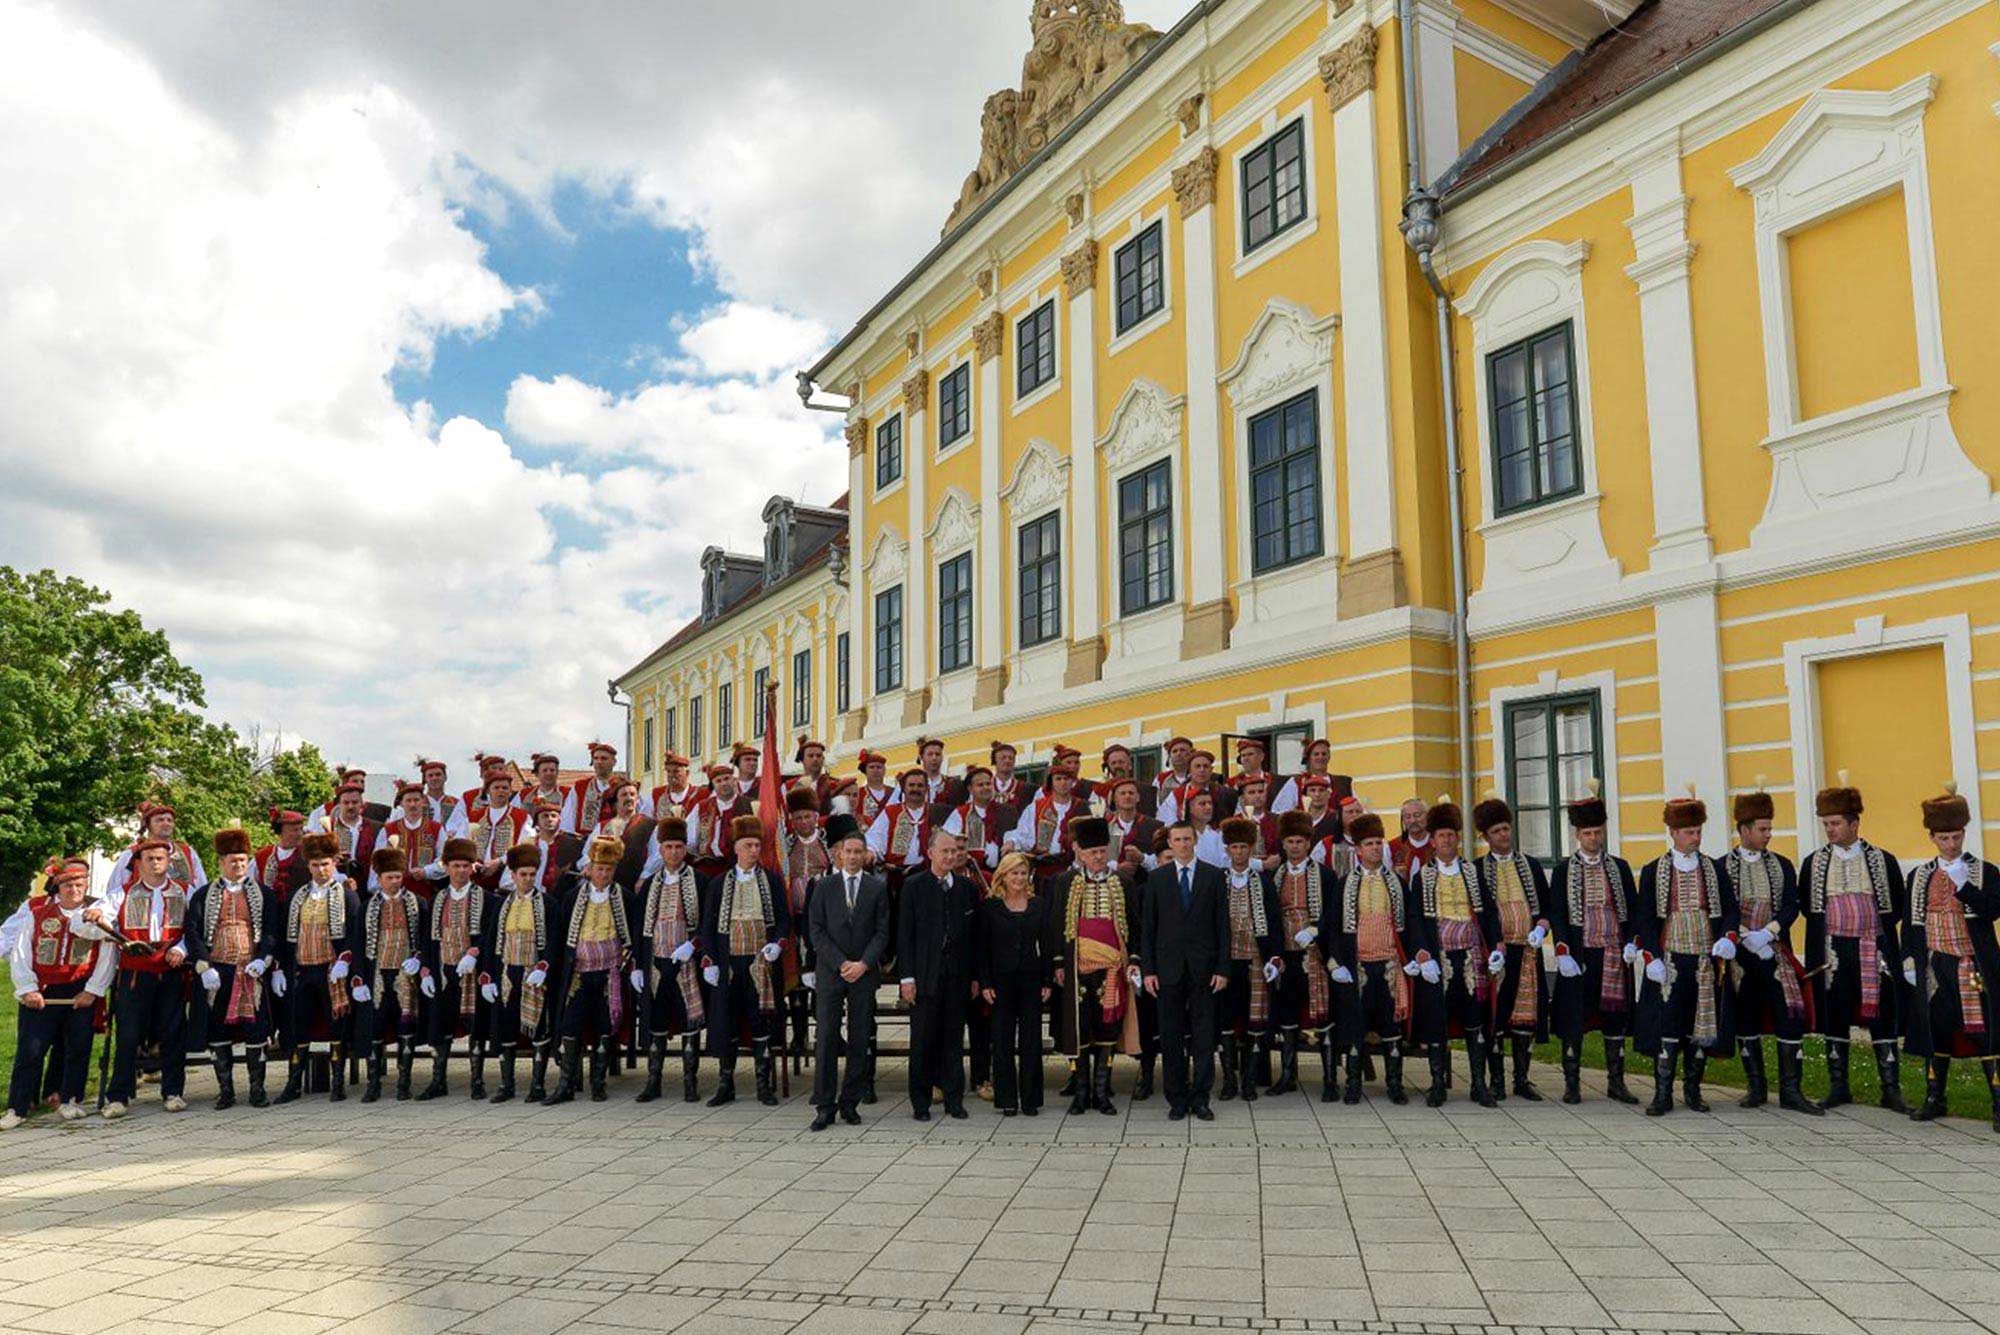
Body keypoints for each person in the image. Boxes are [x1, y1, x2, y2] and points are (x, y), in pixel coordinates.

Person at [1800, 774, 1908, 1112]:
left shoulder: (1881, 859)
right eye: (1826, 824)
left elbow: (1897, 906)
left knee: (1882, 1014)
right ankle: (1838, 1086)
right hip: (1833, 950)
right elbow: (1808, 905)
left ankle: (1890, 1089)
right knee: (1836, 1012)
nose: (1829, 829)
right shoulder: (1815, 862)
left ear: (1854, 823)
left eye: (1834, 823)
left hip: (1872, 948)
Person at [1634, 791, 1739, 1117]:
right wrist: (1651, 957)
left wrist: (1728, 938)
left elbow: (1731, 911)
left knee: (1700, 1024)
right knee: (1668, 1024)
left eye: (1698, 831)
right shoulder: (1654, 871)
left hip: (1705, 959)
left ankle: (1693, 1091)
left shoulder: (1714, 869)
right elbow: (1645, 918)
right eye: (1689, 832)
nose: (1696, 837)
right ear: (1674, 833)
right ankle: (1662, 1093)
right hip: (1671, 958)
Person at [1902, 784, 2000, 1128]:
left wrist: (1967, 887)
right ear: (1932, 838)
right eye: (1944, 838)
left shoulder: (1985, 871)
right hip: (1935, 961)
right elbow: (1911, 924)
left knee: (1985, 1030)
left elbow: (1992, 911)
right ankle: (1934, 1096)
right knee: (1936, 1027)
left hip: (1972, 961)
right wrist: (1909, 961)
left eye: (1956, 837)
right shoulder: (1919, 876)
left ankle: (1998, 1102)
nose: (1951, 844)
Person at [1725, 784, 1818, 1114]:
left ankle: (1791, 1090)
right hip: (1740, 952)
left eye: (1769, 828)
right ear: (1745, 829)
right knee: (1746, 1015)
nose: (1768, 835)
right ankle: (1756, 1087)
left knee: (1790, 1012)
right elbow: (1722, 909)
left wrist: (1768, 932)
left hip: (1774, 948)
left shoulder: (1782, 864)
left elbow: (1792, 905)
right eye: (1762, 829)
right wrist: (1743, 935)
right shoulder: (1724, 866)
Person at [1546, 782, 1641, 1104]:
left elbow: (1633, 909)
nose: (1593, 839)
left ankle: (1617, 1082)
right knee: (1575, 1017)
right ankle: (1572, 1084)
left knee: (1616, 1018)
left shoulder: (1619, 867)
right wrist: (1562, 950)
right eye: (1587, 833)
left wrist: (1633, 943)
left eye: (1598, 832)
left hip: (1614, 951)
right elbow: (1556, 913)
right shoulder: (1563, 871)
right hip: (1581, 953)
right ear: (1577, 835)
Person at [3, 858, 115, 1129]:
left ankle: (70, 1100)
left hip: (81, 991)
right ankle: (16, 1107)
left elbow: (107, 955)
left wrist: (93, 991)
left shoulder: (97, 916)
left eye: (79, 884)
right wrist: (27, 988)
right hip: (43, 990)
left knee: (78, 1047)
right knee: (31, 1051)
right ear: (57, 887)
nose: (74, 890)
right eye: (67, 885)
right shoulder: (38, 913)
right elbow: (21, 952)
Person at [1409, 798, 1499, 1107]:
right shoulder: (1423, 877)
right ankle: (1437, 1084)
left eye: (1452, 835)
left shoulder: (1473, 873)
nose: (1447, 840)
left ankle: (1478, 1084)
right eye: (1442, 835)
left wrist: (1496, 945)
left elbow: (1488, 913)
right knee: (1437, 1019)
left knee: (1476, 1019)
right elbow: (1416, 919)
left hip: (1472, 953)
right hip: (1440, 955)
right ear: (1432, 841)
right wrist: (1422, 953)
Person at [98, 835, 194, 1119]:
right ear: (138, 863)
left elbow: (195, 929)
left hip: (170, 972)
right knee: (128, 1035)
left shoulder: (184, 891)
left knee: (173, 1033)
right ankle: (118, 1096)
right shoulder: (122, 892)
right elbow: (103, 913)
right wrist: (95, 913)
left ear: (168, 862)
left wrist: (181, 947)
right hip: (135, 974)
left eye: (160, 859)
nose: (155, 864)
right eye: (149, 859)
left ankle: (173, 1092)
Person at [699, 815, 789, 1107]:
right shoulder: (719, 883)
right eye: (748, 845)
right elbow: (708, 926)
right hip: (728, 963)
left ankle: (764, 1085)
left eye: (757, 845)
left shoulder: (771, 881)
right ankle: (726, 1084)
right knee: (727, 1021)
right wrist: (710, 960)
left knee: (760, 1020)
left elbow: (784, 920)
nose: (754, 850)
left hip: (760, 963)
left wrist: (777, 944)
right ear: (736, 848)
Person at [1141, 822, 1229, 1121]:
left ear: (1196, 840)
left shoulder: (1214, 876)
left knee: (1204, 1036)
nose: (1183, 844)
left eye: (1188, 839)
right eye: (1177, 839)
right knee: (1170, 1036)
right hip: (1168, 969)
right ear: (1169, 842)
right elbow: (1148, 929)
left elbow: (1222, 926)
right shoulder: (1157, 878)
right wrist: (1149, 970)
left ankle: (1201, 1097)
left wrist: (1222, 968)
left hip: (1205, 969)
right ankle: (1176, 1098)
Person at [806, 815, 889, 1130]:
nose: (854, 857)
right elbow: (816, 931)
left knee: (859, 1039)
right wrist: (841, 963)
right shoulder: (823, 886)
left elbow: (882, 933)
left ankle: (850, 1102)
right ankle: (824, 1105)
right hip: (831, 972)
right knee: (826, 1037)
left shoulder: (876, 888)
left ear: (865, 855)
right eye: (849, 851)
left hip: (864, 973)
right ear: (839, 853)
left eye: (859, 852)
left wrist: (863, 964)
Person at [186, 827, 278, 1110]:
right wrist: (204, 966)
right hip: (218, 971)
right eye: (232, 860)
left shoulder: (264, 893)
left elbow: (272, 931)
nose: (237, 865)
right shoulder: (203, 895)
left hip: (250, 970)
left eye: (242, 860)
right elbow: (192, 932)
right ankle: (225, 1091)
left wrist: (264, 959)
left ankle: (257, 1090)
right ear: (220, 862)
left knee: (255, 1028)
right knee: (218, 1029)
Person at [1471, 794, 1554, 1103]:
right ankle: (1497, 1081)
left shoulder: (1530, 865)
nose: (1504, 835)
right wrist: (1494, 945)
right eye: (1496, 831)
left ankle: (1522, 1078)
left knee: (1526, 1017)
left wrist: (1541, 928)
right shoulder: (1477, 869)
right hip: (1498, 955)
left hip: (1528, 951)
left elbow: (1546, 907)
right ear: (1485, 837)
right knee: (1497, 1015)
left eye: (1506, 828)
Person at [1329, 813, 1416, 1104]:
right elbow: (1331, 926)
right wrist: (1336, 963)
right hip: (1357, 966)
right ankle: (1353, 1084)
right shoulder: (1344, 885)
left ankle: (1395, 1083)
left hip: (1390, 964)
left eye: (1379, 842)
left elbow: (1411, 923)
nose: (1376, 848)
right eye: (1369, 843)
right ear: (1359, 850)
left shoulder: (1397, 883)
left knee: (1392, 1025)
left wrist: (1413, 957)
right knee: (1356, 1025)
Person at [547, 835, 636, 1105]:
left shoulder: (626, 898)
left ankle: (598, 1083)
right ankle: (566, 1085)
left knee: (604, 1025)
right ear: (590, 868)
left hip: (610, 973)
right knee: (571, 1025)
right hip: (579, 972)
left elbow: (632, 935)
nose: (604, 874)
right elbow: (561, 934)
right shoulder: (573, 897)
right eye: (600, 868)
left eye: (609, 869)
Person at [274, 833, 362, 1104]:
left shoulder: (345, 895)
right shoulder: (298, 896)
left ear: (334, 863)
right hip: (303, 969)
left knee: (337, 1026)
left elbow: (354, 934)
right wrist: (280, 967)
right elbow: (286, 935)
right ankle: (293, 1083)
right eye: (315, 865)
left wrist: (345, 960)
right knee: (298, 1026)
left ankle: (337, 1083)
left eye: (325, 864)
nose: (321, 870)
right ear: (308, 866)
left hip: (330, 969)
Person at [896, 830, 979, 1121]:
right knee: (923, 1041)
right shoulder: (914, 886)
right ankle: (920, 1102)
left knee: (953, 1039)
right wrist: (906, 978)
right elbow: (904, 936)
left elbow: (973, 938)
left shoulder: (967, 889)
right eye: (943, 851)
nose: (949, 856)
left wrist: (974, 977)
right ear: (930, 852)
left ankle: (954, 1098)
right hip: (924, 977)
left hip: (956, 976)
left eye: (954, 851)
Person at [1051, 817, 1131, 1116]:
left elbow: (1131, 925)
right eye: (1092, 852)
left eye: (1102, 851)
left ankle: (1101, 1092)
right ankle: (1081, 1092)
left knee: (1107, 1028)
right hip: (1077, 968)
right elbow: (1056, 924)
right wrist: (1058, 961)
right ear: (1080, 853)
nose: (1098, 857)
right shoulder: (1065, 882)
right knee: (1080, 1027)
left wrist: (1132, 960)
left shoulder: (1122, 882)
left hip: (1111, 968)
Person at [1264, 811, 1338, 1099]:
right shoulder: (1275, 876)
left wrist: (1315, 930)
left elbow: (1332, 913)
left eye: (1300, 841)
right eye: (1290, 841)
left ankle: (1330, 1078)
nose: (1295, 846)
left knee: (1322, 1014)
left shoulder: (1325, 874)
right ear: (1283, 845)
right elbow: (1270, 918)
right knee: (1287, 1014)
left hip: (1314, 954)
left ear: (1308, 844)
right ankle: (1287, 1075)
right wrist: (1275, 954)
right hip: (1287, 953)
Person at [635, 817, 709, 1104]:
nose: (675, 852)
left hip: (687, 960)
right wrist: (639, 965)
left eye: (679, 847)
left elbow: (709, 922)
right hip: (657, 961)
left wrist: (694, 945)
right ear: (661, 849)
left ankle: (691, 1081)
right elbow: (640, 926)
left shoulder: (700, 881)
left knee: (691, 1018)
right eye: (669, 847)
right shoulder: (651, 884)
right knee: (657, 1018)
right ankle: (654, 1080)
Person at [417, 837, 490, 1101]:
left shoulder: (485, 898)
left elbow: (490, 936)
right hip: (443, 968)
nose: (461, 870)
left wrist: (475, 952)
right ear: (446, 867)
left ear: (473, 868)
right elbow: (428, 939)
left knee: (475, 1023)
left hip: (472, 971)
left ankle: (478, 1080)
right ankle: (438, 1080)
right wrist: (426, 970)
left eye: (465, 866)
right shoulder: (438, 899)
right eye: (456, 865)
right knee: (440, 1022)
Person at [979, 852, 1052, 1117]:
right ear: (1004, 876)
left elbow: (1046, 945)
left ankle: (1031, 1099)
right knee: (1002, 1040)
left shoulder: (1039, 904)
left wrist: (1047, 980)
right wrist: (985, 981)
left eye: (1023, 873)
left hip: (1031, 979)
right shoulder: (990, 906)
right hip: (1000, 981)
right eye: (1014, 873)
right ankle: (1007, 1098)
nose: (1019, 878)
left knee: (1032, 1040)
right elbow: (983, 947)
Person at [354, 846, 428, 1103]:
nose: (395, 882)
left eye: (398, 876)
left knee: (405, 1026)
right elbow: (358, 944)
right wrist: (358, 979)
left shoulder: (417, 903)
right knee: (375, 1027)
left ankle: (404, 1083)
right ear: (379, 879)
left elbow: (425, 940)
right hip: (377, 972)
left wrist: (418, 959)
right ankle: (373, 1084)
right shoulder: (366, 908)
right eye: (390, 877)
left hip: (405, 973)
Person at [482, 843, 554, 1104]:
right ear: (512, 875)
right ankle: (506, 1084)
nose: (527, 879)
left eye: (531, 874)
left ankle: (537, 1085)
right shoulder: (502, 905)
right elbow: (491, 942)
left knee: (539, 1028)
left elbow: (554, 941)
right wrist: (487, 976)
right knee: (506, 1027)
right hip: (507, 972)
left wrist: (544, 967)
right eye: (522, 874)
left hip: (533, 973)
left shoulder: (546, 903)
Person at [1214, 817, 1279, 1102]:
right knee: (1226, 1017)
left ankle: (1250, 1080)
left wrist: (1274, 956)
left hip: (1254, 955)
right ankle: (1229, 1079)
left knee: (1255, 1018)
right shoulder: (1218, 879)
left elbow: (1274, 920)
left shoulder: (1263, 881)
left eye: (1243, 847)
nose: (1239, 852)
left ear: (1251, 849)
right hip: (1227, 957)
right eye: (1234, 847)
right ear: (1227, 849)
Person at [778, 788, 830, 1062]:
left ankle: (827, 1030)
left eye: (807, 816)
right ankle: (799, 1033)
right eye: (797, 817)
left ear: (816, 817)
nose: (803, 822)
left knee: (822, 972)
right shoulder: (785, 844)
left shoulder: (828, 844)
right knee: (796, 975)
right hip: (795, 918)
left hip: (824, 920)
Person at [108, 801, 207, 893]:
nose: (166, 823)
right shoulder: (131, 854)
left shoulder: (188, 852)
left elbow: (201, 887)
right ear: (148, 825)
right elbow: (115, 890)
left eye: (169, 820)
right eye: (159, 820)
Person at [379, 780, 446, 896]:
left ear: (423, 802)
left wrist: (427, 871)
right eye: (408, 801)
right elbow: (378, 860)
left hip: (426, 890)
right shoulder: (389, 829)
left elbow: (444, 859)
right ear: (402, 804)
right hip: (394, 891)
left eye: (416, 800)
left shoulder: (436, 829)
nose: (412, 804)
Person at [943, 766, 1006, 872]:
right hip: (972, 873)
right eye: (980, 785)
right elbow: (947, 842)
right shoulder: (960, 814)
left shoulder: (1005, 811)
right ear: (970, 789)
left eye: (988, 784)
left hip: (1003, 873)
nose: (986, 787)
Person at [562, 741, 622, 835]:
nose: (599, 762)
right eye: (596, 758)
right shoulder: (580, 787)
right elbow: (568, 817)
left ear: (614, 762)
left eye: (604, 759)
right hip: (584, 841)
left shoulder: (623, 786)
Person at [256, 808, 311, 906]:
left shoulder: (309, 853)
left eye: (300, 829)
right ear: (280, 832)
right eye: (294, 830)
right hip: (271, 913)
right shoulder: (262, 855)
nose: (299, 834)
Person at [1388, 798, 1432, 880]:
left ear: (1427, 816)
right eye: (1407, 817)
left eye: (1417, 815)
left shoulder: (1437, 845)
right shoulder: (1392, 847)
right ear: (1403, 820)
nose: (1413, 820)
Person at [417, 757, 463, 834]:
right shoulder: (416, 803)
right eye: (430, 776)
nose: (434, 778)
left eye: (438, 775)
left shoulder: (456, 804)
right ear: (425, 779)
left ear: (445, 777)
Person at [521, 753, 567, 818]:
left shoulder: (567, 794)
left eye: (552, 770)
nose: (549, 773)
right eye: (545, 770)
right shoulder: (523, 795)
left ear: (557, 772)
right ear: (537, 774)